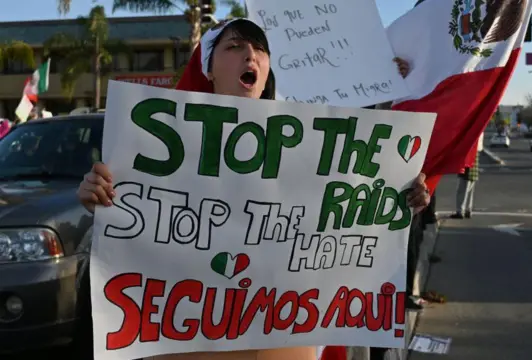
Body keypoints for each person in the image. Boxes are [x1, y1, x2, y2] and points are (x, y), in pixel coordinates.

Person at [77, 18, 430, 360]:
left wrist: (400, 194)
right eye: (235, 46)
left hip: (282, 339)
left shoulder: (312, 143)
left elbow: (348, 215)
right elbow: (138, 227)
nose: (250, 55)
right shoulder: (160, 143)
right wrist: (102, 198)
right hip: (190, 340)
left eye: (260, 49)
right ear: (209, 69)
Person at [451, 152, 479, 219]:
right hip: (474, 166)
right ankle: (468, 210)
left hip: (467, 168)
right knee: (469, 192)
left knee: (462, 191)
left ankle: (460, 212)